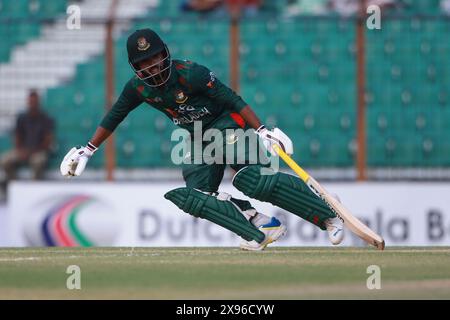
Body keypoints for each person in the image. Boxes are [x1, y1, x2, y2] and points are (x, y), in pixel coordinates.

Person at [60, 29, 343, 250]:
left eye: (155, 57)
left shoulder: (190, 73)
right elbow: (114, 116)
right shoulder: (137, 88)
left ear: (164, 54)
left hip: (226, 126)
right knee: (198, 199)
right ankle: (260, 223)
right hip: (195, 138)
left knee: (253, 181)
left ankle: (326, 213)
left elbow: (230, 97)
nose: (152, 67)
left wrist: (261, 130)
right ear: (136, 67)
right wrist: (87, 151)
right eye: (144, 63)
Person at [1, 90, 54, 187]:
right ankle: (16, 185)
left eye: (34, 102)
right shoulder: (21, 118)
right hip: (23, 151)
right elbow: (17, 136)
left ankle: (32, 188)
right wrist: (20, 150)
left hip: (38, 151)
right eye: (31, 102)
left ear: (38, 102)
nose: (32, 104)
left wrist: (31, 151)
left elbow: (47, 142)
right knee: (5, 160)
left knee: (38, 162)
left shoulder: (46, 119)